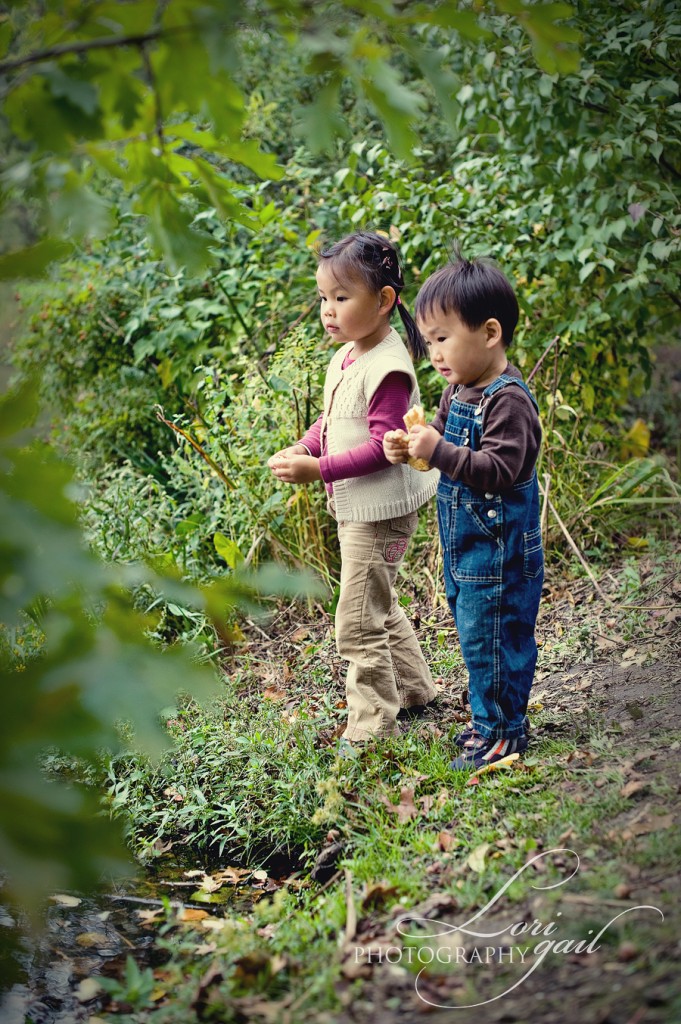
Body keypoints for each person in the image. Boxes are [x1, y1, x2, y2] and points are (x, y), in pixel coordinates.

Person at [268, 231, 439, 742]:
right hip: (361, 509)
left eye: (342, 298)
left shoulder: (387, 367)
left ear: (384, 301)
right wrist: (306, 445)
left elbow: (379, 446)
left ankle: (371, 730)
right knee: (374, 601)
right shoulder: (348, 355)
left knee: (358, 621)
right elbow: (334, 419)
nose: (328, 309)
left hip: (380, 509)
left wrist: (316, 470)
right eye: (324, 298)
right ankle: (414, 690)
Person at [383, 254, 543, 770]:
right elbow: (439, 442)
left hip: (501, 553)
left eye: (443, 338)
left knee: (496, 637)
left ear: (490, 332)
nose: (433, 353)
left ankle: (503, 733)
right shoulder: (458, 391)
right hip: (467, 548)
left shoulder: (508, 401)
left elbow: (497, 469)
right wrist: (410, 446)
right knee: (477, 637)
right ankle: (488, 719)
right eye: (428, 342)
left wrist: (439, 450)